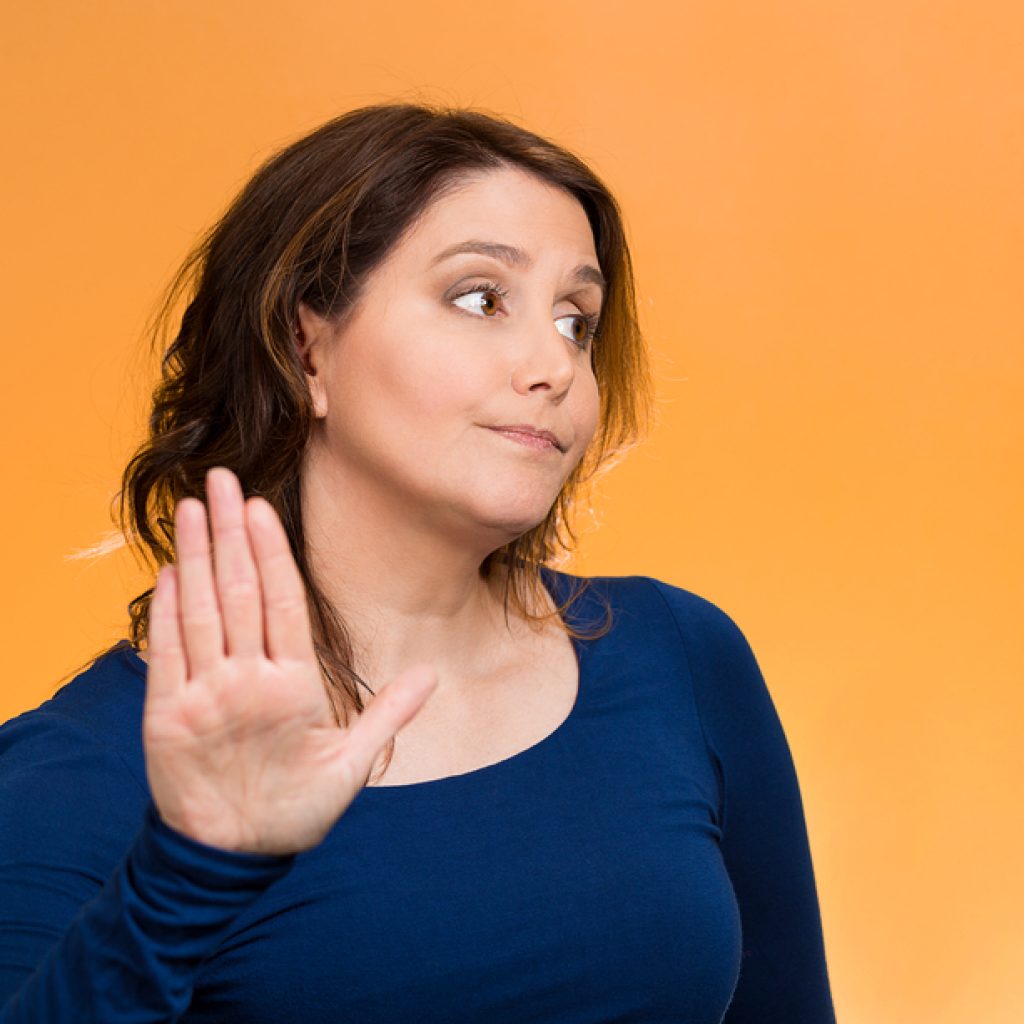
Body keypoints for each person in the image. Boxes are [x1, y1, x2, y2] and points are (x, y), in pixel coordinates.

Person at [0, 102, 836, 1022]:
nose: (554, 365)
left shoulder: (681, 659)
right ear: (303, 345)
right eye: (481, 298)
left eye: (576, 321)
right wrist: (189, 874)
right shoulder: (74, 775)